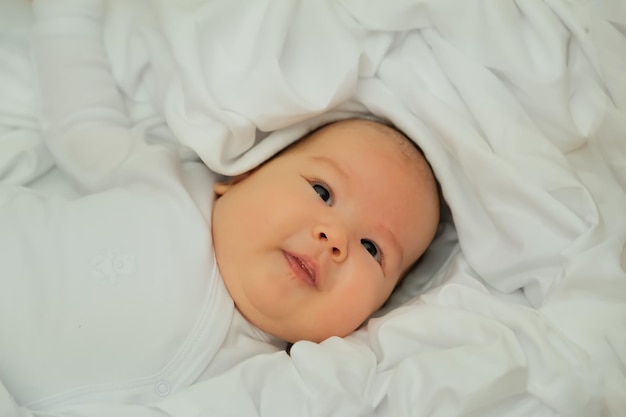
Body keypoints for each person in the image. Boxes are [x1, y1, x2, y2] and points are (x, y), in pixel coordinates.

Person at [0, 0, 439, 408]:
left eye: (373, 249)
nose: (336, 237)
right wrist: (67, 17)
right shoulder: (163, 182)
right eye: (322, 191)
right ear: (242, 175)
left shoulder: (274, 384)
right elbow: (81, 124)